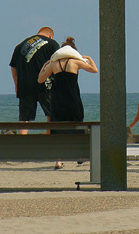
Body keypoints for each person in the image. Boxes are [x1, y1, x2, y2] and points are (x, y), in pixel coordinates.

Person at [37, 37, 98, 168]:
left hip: (57, 100)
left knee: (58, 128)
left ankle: (58, 160)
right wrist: (88, 57)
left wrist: (44, 66)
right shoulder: (76, 62)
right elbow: (94, 70)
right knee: (78, 124)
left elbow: (40, 80)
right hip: (73, 98)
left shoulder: (54, 65)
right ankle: (79, 156)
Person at [9, 27, 60, 132]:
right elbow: (57, 63)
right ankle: (51, 140)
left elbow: (13, 66)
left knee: (24, 118)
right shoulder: (52, 43)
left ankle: (22, 143)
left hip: (25, 85)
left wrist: (16, 84)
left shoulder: (19, 46)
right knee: (51, 114)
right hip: (46, 84)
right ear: (50, 35)